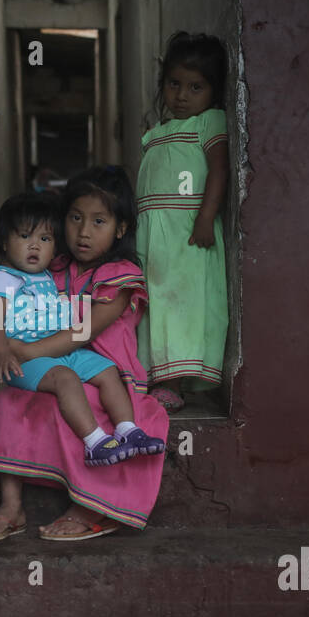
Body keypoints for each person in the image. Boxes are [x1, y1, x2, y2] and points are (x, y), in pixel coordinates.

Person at [0, 167, 168, 543]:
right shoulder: (52, 268)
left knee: (92, 409)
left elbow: (84, 332)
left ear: (121, 228)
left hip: (108, 370)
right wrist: (2, 347)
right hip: (56, 366)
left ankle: (92, 506)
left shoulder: (120, 276)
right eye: (75, 218)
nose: (83, 231)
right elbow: (10, 313)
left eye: (99, 221)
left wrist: (25, 350)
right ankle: (12, 506)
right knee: (10, 403)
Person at [0, 191, 158, 469]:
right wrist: (1, 350)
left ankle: (127, 430)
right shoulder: (1, 278)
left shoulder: (49, 275)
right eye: (25, 237)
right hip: (28, 362)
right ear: (4, 242)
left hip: (61, 352)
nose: (35, 246)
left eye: (45, 239)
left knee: (107, 370)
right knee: (66, 379)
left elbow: (78, 325)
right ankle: (96, 442)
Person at [135, 31, 230, 414]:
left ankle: (173, 382)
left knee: (180, 305)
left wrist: (206, 218)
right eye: (174, 84)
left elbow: (219, 170)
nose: (182, 95)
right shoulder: (154, 133)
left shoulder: (209, 122)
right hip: (151, 237)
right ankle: (148, 373)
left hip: (186, 235)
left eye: (196, 87)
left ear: (212, 91)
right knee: (150, 304)